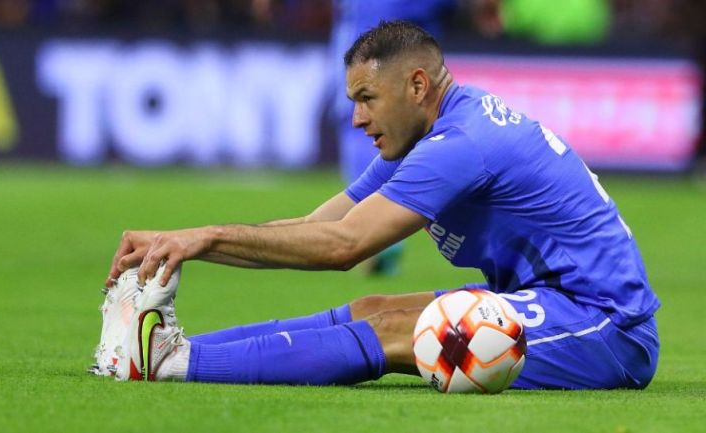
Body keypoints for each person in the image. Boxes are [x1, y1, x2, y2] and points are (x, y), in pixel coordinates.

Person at [101, 21, 660, 389]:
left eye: (367, 99)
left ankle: (177, 366)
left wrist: (204, 240)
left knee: (401, 331)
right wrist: (182, 241)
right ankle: (160, 352)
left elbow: (343, 246)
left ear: (417, 86)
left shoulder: (460, 145)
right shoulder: (426, 133)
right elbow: (322, 224)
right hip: (541, 298)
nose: (358, 119)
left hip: (606, 325)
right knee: (374, 307)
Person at [330, 0, 458, 275]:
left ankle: (375, 232)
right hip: (414, 37)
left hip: (369, 33)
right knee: (410, 127)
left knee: (361, 123)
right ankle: (383, 229)